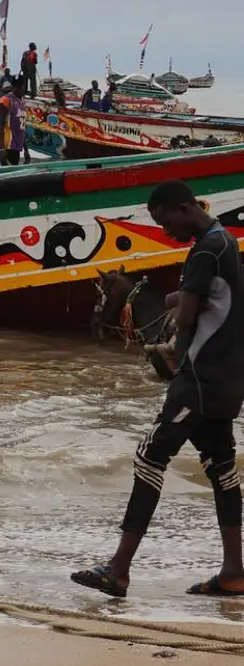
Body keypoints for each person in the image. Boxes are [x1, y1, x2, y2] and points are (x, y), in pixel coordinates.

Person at [72, 180, 244, 599]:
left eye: (166, 222)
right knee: (222, 470)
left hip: (196, 382)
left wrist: (180, 303)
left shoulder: (205, 248)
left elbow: (187, 315)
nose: (166, 232)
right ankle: (234, 572)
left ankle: (119, 570)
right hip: (226, 382)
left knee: (149, 457)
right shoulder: (226, 243)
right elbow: (203, 301)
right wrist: (181, 298)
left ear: (184, 208)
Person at [0, 83, 29, 166]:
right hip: (7, 146)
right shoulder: (5, 100)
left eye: (24, 87)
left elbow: (22, 127)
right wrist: (1, 149)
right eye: (20, 87)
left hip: (17, 147)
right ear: (14, 87)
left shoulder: (22, 102)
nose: (23, 90)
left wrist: (26, 150)